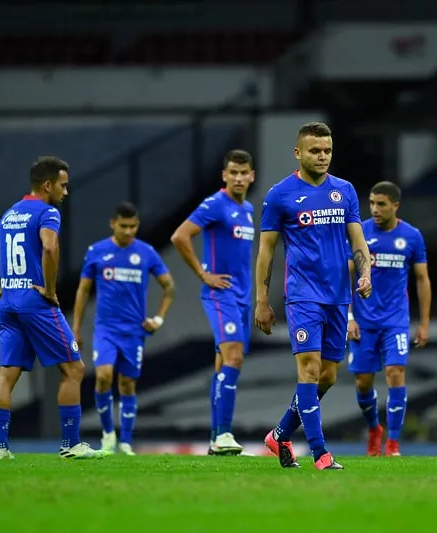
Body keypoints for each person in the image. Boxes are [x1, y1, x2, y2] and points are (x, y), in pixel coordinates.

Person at [255, 122, 372, 470]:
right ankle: (321, 453)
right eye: (315, 151)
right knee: (308, 369)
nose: (322, 157)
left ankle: (280, 435)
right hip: (303, 294)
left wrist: (365, 272)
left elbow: (357, 239)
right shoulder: (280, 195)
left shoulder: (345, 191)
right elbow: (266, 251)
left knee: (328, 375)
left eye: (327, 151)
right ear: (298, 153)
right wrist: (262, 299)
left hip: (338, 295)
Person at [0, 155, 101, 459]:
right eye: (63, 186)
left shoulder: (10, 214)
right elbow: (49, 246)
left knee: (6, 375)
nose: (66, 192)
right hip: (36, 303)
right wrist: (50, 288)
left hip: (9, 304)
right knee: (74, 368)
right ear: (47, 186)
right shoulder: (47, 213)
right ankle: (71, 444)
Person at [170, 149, 256, 455]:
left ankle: (216, 437)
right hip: (221, 294)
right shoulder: (215, 204)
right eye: (232, 172)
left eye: (243, 172)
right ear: (224, 175)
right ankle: (223, 435)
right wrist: (203, 274)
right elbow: (180, 236)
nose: (238, 178)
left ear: (252, 176)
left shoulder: (247, 208)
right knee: (233, 357)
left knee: (224, 362)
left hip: (243, 297)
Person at [72, 202, 175, 456]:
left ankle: (126, 441)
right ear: (113, 224)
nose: (129, 231)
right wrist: (75, 327)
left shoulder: (147, 253)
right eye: (124, 226)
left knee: (127, 384)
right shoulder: (97, 251)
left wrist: (158, 319)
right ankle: (108, 435)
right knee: (104, 376)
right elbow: (83, 290)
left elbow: (169, 288)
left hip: (134, 331)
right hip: (106, 329)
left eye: (133, 226)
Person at [347, 181, 431, 457]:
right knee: (363, 382)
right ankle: (374, 428)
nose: (374, 209)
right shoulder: (360, 233)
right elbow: (345, 276)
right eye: (371, 203)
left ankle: (393, 443)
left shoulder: (412, 237)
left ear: (395, 205)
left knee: (395, 373)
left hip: (395, 319)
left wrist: (425, 322)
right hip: (363, 319)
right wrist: (349, 316)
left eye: (381, 204)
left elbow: (422, 278)